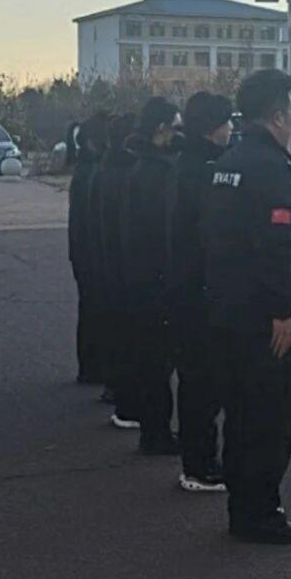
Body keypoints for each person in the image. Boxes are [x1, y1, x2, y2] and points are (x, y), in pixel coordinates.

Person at [203, 70, 291, 544]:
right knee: (270, 417)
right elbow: (275, 245)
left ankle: (243, 507)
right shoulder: (270, 167)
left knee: (242, 412)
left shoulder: (228, 161)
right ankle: (260, 513)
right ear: (277, 117)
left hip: (230, 308)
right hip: (264, 315)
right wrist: (284, 310)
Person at [173, 92, 234, 493]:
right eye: (227, 122)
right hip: (199, 289)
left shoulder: (185, 163)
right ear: (212, 128)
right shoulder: (203, 171)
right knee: (202, 381)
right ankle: (199, 465)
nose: (231, 129)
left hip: (187, 285)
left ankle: (197, 458)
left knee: (197, 379)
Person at [118, 97, 183, 455]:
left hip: (142, 276)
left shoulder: (140, 165)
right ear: (161, 128)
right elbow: (162, 232)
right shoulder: (155, 172)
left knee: (152, 359)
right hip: (155, 279)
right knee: (158, 361)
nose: (178, 134)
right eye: (175, 126)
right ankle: (156, 433)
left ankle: (153, 428)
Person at [93, 113, 141, 426]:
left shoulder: (104, 170)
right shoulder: (128, 175)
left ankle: (116, 387)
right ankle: (127, 402)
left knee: (118, 331)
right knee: (131, 338)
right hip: (126, 265)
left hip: (109, 262)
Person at [69, 113, 107, 385]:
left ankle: (90, 367)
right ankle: (96, 367)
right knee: (97, 310)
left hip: (82, 249)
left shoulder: (83, 168)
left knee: (90, 309)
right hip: (92, 251)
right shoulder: (93, 171)